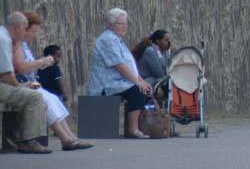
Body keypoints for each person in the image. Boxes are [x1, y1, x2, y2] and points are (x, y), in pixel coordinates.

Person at [13, 11, 92, 151]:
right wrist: (41, 61)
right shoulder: (16, 45)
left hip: (31, 83)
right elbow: (21, 67)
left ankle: (70, 136)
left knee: (54, 99)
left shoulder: (23, 45)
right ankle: (65, 138)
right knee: (46, 100)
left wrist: (40, 64)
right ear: (23, 29)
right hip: (22, 84)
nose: (34, 35)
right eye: (32, 31)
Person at [86, 8, 154, 139]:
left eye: (125, 23)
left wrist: (142, 81)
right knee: (137, 90)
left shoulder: (117, 40)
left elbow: (130, 66)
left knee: (144, 89)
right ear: (110, 25)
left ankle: (140, 126)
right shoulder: (108, 40)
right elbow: (119, 66)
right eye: (120, 23)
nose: (124, 26)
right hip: (105, 85)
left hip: (118, 82)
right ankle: (133, 129)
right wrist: (137, 83)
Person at [0, 12, 49, 154]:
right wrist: (20, 87)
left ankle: (19, 135)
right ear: (17, 27)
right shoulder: (3, 39)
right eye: (24, 28)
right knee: (34, 97)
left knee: (29, 95)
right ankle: (28, 141)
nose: (24, 32)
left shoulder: (4, 36)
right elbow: (6, 75)